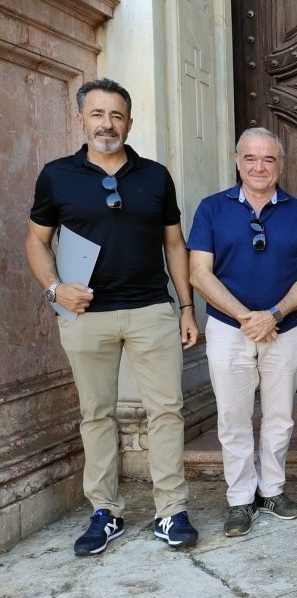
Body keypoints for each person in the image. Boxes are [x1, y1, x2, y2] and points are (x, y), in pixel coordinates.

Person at [25, 78, 200, 555]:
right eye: (98, 114)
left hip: (150, 310)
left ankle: (171, 511)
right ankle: (105, 512)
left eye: (117, 115)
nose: (108, 124)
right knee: (95, 414)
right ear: (80, 118)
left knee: (167, 410)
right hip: (85, 316)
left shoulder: (155, 175)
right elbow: (36, 241)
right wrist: (55, 288)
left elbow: (174, 244)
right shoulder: (57, 175)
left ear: (129, 121)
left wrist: (185, 307)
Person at [188, 127, 297, 537]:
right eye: (251, 158)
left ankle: (272, 490)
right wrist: (248, 317)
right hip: (230, 329)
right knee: (233, 417)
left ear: (280, 165)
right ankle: (240, 499)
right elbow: (199, 273)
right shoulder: (211, 209)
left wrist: (275, 314)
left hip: (286, 328)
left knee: (280, 416)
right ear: (237, 160)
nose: (259, 166)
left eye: (268, 159)